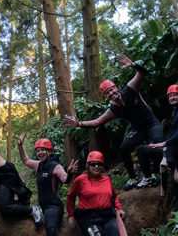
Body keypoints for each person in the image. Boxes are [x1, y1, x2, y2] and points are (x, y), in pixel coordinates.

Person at [63, 54, 164, 190]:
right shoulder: (114, 109)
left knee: (157, 144)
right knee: (124, 147)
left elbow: (142, 73)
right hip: (138, 129)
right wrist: (79, 124)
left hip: (152, 123)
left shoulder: (130, 89)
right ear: (106, 96)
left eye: (111, 90)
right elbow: (97, 122)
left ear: (116, 88)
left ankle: (154, 173)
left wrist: (133, 65)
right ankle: (133, 178)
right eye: (107, 93)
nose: (111, 93)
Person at [17, 133, 78, 236]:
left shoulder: (55, 166)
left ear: (49, 152)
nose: (40, 153)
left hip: (54, 206)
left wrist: (70, 173)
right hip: (43, 207)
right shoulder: (38, 165)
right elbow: (26, 160)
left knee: (51, 230)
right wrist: (20, 145)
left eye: (43, 150)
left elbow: (65, 179)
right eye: (38, 151)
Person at [149, 84, 178, 212]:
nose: (173, 97)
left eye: (175, 95)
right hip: (176, 152)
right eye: (171, 96)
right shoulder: (176, 112)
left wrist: (165, 143)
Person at [66, 151, 127, 236]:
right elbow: (70, 196)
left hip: (107, 216)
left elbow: (113, 196)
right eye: (93, 164)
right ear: (88, 166)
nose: (96, 166)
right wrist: (71, 215)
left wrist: (119, 208)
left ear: (102, 166)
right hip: (88, 217)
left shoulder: (107, 180)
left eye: (99, 164)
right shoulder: (81, 180)